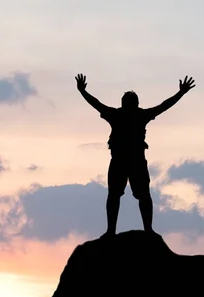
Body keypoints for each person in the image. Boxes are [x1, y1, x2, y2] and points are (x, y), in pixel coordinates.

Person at [75, 73, 195, 236]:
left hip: (132, 161)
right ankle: (115, 230)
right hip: (123, 161)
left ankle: (142, 229)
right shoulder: (128, 115)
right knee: (118, 195)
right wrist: (82, 92)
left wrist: (82, 91)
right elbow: (163, 106)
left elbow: (163, 106)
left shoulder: (128, 115)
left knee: (139, 195)